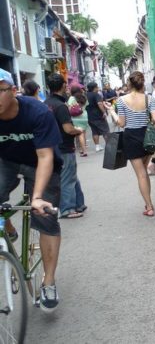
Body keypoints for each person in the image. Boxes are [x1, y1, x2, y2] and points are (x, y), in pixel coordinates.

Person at [0, 68, 63, 312]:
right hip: (7, 161)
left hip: (39, 162)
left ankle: (49, 282)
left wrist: (36, 198)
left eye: (0, 90)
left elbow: (45, 156)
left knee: (45, 215)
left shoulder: (37, 112)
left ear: (14, 91)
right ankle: (7, 226)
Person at [110, 72, 155, 217]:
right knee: (144, 172)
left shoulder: (121, 100)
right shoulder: (149, 98)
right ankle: (149, 202)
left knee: (141, 174)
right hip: (147, 136)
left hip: (131, 137)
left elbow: (121, 123)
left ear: (129, 84)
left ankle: (149, 206)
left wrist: (112, 112)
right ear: (142, 83)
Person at [44, 74, 87, 219]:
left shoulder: (46, 103)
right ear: (63, 85)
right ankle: (67, 208)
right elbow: (68, 129)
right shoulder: (61, 106)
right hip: (64, 145)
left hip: (51, 145)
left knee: (70, 175)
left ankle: (79, 203)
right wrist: (78, 130)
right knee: (68, 177)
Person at [86, 81, 110, 152]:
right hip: (98, 116)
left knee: (94, 131)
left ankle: (97, 146)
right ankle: (109, 146)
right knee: (105, 130)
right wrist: (104, 112)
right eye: (97, 87)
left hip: (89, 116)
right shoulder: (96, 95)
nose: (98, 88)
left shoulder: (85, 95)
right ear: (94, 88)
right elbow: (99, 104)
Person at [68, 85, 89, 156]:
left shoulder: (72, 98)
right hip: (84, 116)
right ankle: (82, 149)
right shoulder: (84, 97)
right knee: (83, 133)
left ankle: (84, 151)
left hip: (76, 117)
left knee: (80, 134)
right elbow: (87, 105)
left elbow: (69, 107)